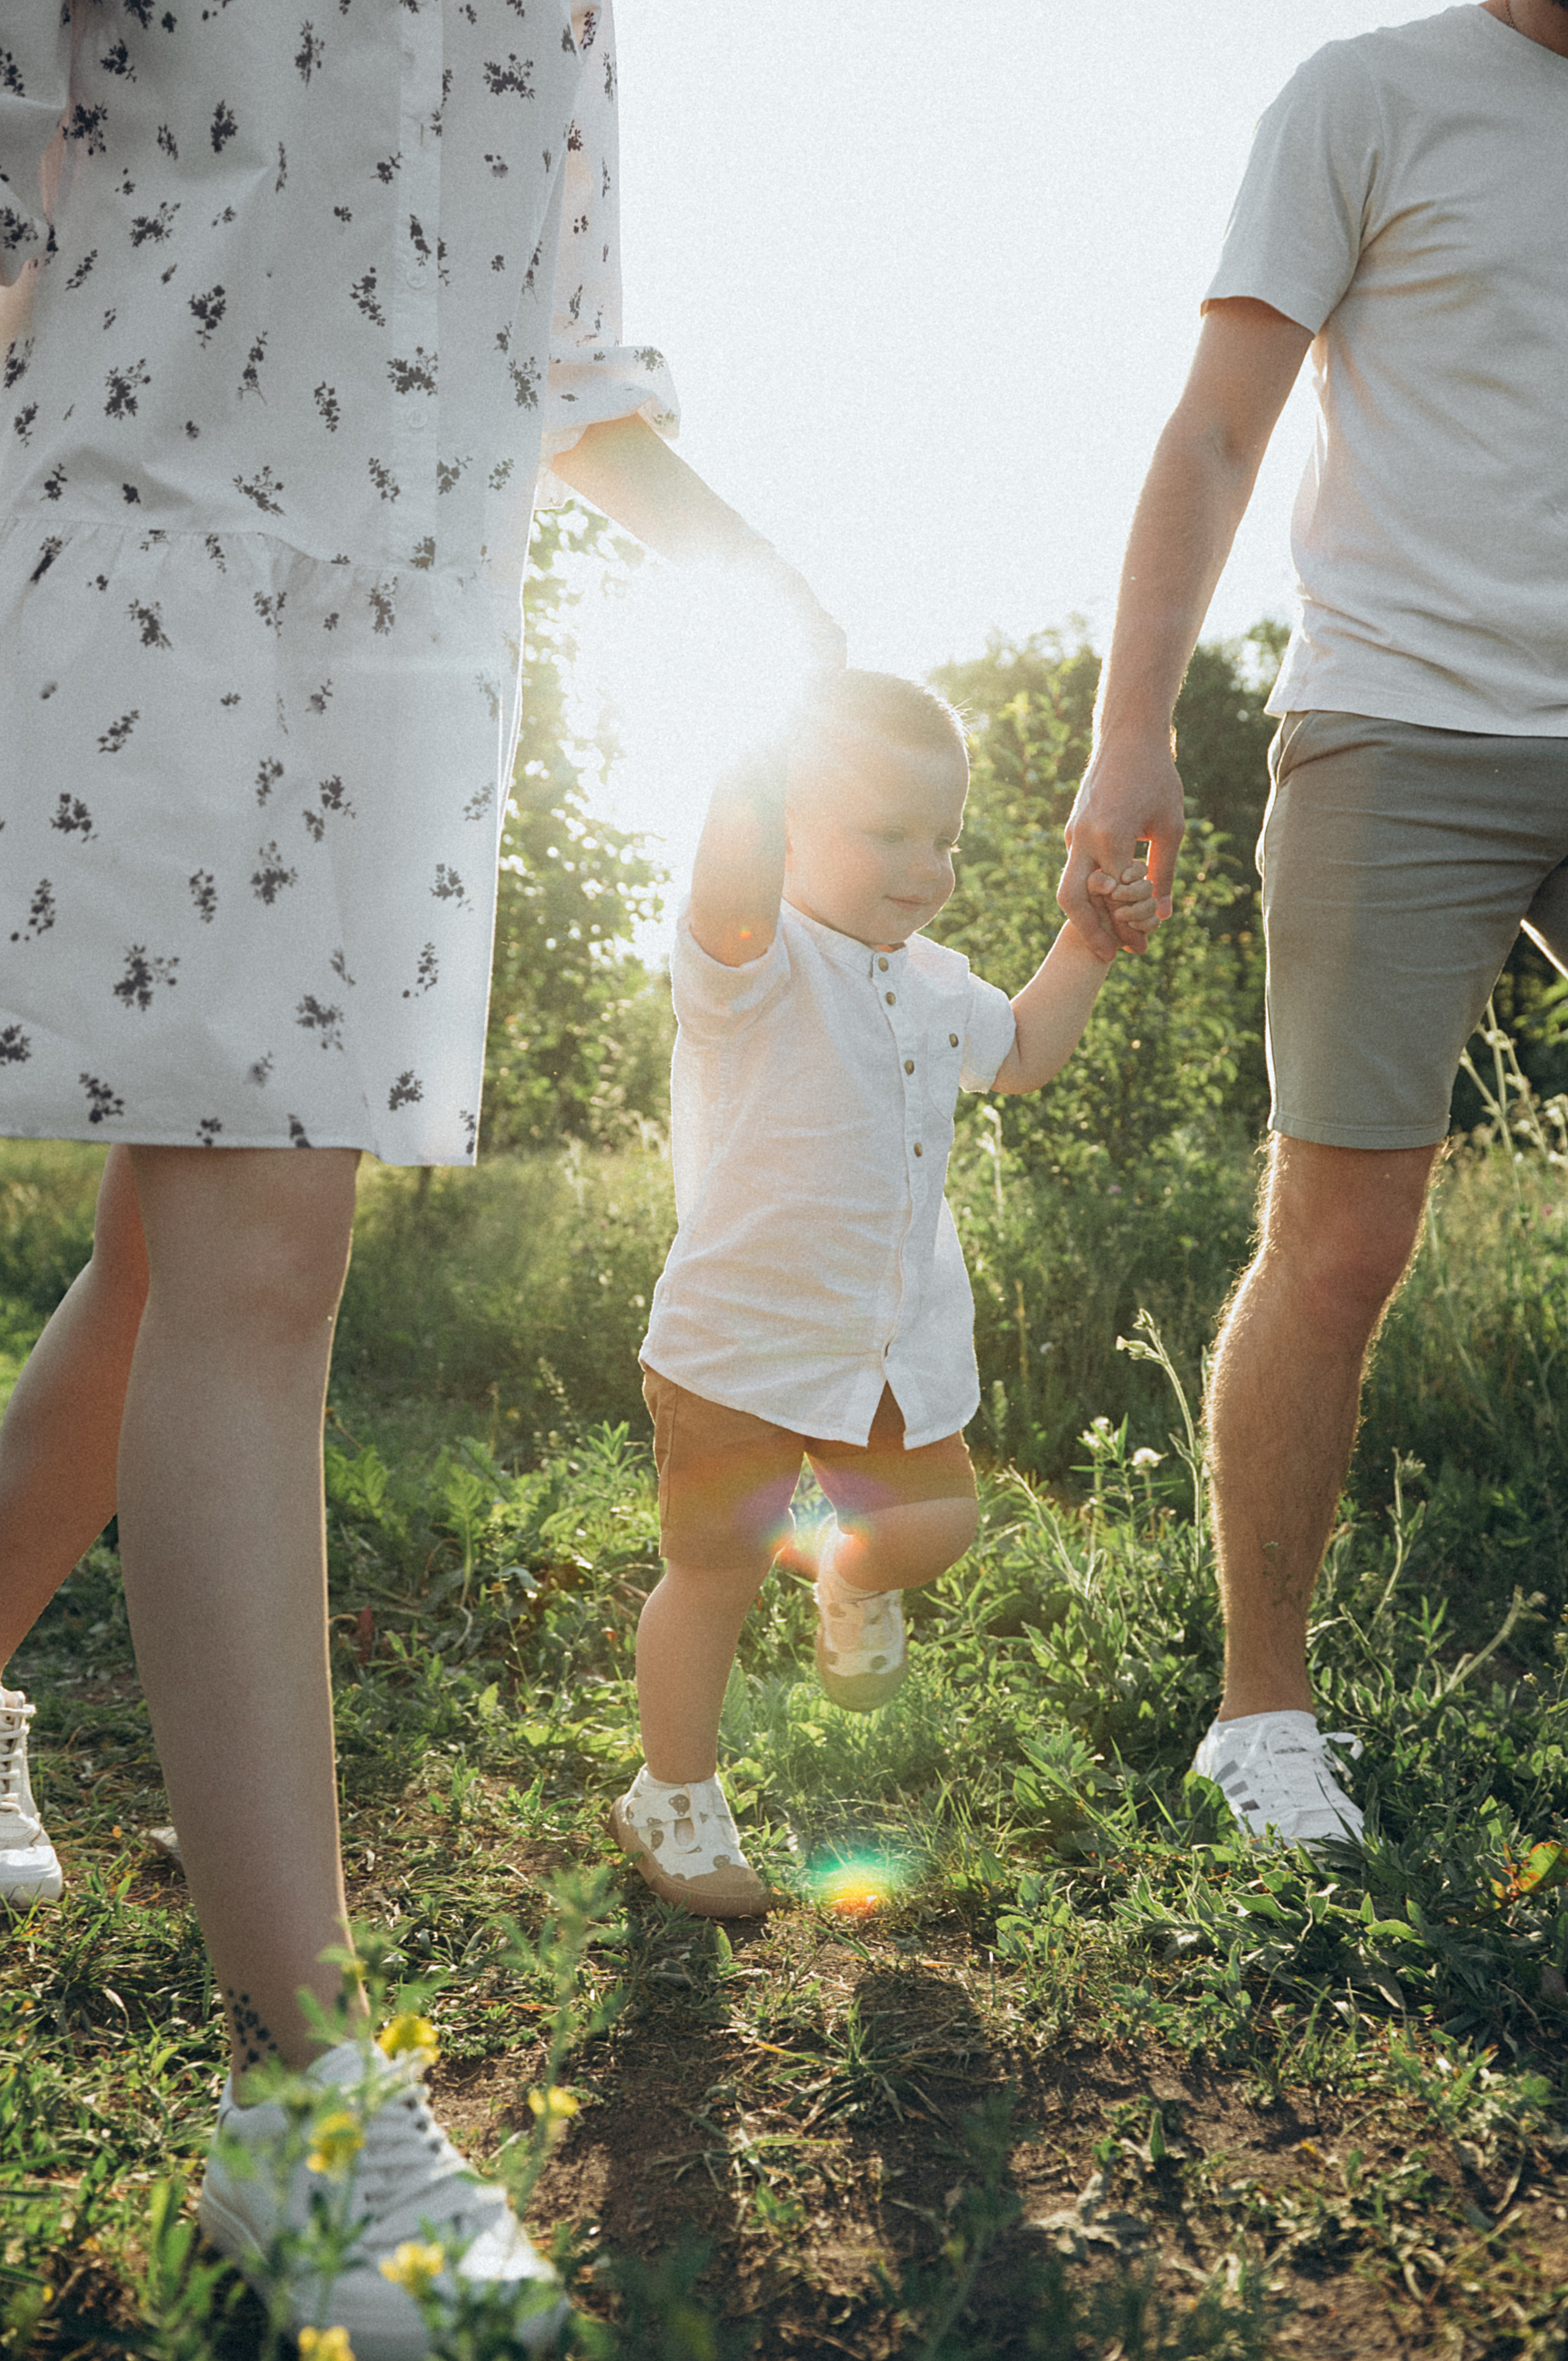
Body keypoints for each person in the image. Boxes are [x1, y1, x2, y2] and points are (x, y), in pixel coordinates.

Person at [0, 6, 840, 2350]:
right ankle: (306, 2108)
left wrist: (759, 579)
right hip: (132, 533)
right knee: (255, 1249)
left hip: (417, 626)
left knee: (191, 1252)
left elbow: (555, 347)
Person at [1059, 0, 1568, 1849]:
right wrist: (1132, 740)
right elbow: (1213, 434)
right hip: (1400, 726)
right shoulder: (1366, 96)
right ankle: (1261, 1715)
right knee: (1342, 1237)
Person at [613, 671, 1158, 1916]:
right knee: (715, 1569)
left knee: (934, 1528)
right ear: (783, 823)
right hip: (738, 1346)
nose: (923, 866)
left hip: (884, 1350)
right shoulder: (750, 963)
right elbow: (729, 892)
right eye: (885, 832)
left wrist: (1085, 938)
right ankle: (673, 1795)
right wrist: (747, 773)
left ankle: (852, 1574)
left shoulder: (934, 982)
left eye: (944, 838)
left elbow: (1019, 1053)